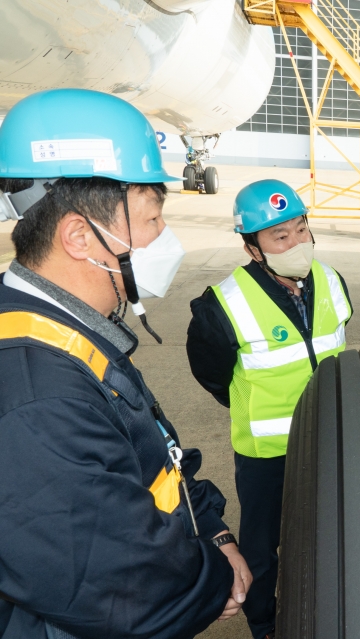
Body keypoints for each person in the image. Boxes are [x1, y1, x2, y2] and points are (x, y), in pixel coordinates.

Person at [0, 88, 248, 638]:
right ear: (80, 237)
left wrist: (212, 531)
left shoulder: (66, 331)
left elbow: (154, 454)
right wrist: (213, 579)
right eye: (152, 218)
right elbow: (119, 582)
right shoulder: (35, 394)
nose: (165, 237)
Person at [186, 179, 352, 639]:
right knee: (262, 549)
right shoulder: (222, 304)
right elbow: (212, 374)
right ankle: (264, 624)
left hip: (328, 439)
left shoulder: (333, 282)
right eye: (280, 236)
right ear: (252, 247)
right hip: (267, 453)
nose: (297, 243)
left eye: (301, 229)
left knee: (331, 534)